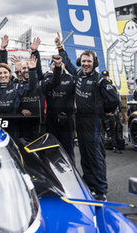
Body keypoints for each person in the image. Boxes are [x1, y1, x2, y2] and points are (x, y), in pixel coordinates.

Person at [60, 45, 119, 201]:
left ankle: (100, 191)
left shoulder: (99, 79)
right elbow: (70, 66)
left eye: (89, 61)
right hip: (80, 119)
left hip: (94, 122)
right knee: (85, 155)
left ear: (94, 63)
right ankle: (89, 186)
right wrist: (60, 48)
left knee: (96, 156)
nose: (86, 64)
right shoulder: (79, 74)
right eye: (84, 61)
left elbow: (115, 98)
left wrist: (107, 110)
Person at [42, 53, 76, 164]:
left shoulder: (71, 79)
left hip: (67, 120)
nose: (56, 65)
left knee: (68, 151)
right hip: (51, 120)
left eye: (59, 64)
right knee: (52, 150)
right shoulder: (47, 78)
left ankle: (72, 175)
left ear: (64, 65)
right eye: (53, 64)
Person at [101, 70, 124, 153]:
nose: (105, 78)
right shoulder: (99, 87)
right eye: (103, 76)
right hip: (104, 113)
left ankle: (115, 146)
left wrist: (119, 111)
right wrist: (104, 112)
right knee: (103, 130)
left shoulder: (113, 88)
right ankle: (103, 146)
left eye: (106, 76)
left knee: (114, 129)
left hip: (113, 113)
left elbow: (117, 101)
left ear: (108, 77)